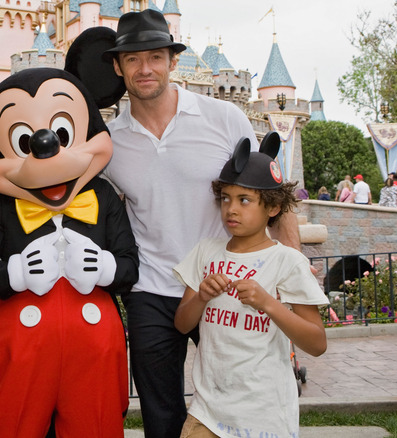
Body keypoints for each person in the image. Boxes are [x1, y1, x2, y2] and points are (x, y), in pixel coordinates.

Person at [101, 9, 300, 437]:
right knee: (161, 412)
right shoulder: (109, 143)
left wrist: (291, 278)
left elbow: (274, 200)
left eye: (155, 56)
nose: (145, 68)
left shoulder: (224, 118)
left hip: (225, 283)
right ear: (118, 67)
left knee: (241, 398)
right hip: (152, 288)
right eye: (132, 59)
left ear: (173, 62)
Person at [173, 140, 327, 438]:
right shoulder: (206, 252)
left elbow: (317, 343)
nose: (231, 209)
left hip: (265, 416)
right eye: (226, 198)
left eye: (244, 200)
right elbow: (182, 325)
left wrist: (270, 304)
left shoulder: (287, 261)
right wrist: (202, 296)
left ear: (272, 207)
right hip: (207, 411)